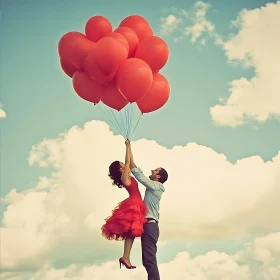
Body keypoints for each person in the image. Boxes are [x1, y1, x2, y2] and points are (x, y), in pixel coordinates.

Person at [101, 140, 148, 269]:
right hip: (134, 202)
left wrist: (130, 147)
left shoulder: (126, 176)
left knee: (131, 232)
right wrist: (127, 146)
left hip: (136, 202)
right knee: (131, 232)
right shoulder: (125, 177)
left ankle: (126, 257)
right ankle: (126, 256)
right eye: (121, 163)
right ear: (120, 168)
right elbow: (128, 161)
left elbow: (130, 161)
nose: (124, 163)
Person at [126, 139, 168, 280]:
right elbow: (134, 168)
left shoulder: (158, 186)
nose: (152, 170)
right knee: (147, 261)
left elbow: (140, 176)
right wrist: (128, 147)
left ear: (158, 177)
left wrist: (129, 152)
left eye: (155, 170)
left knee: (149, 260)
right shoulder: (154, 185)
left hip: (150, 226)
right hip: (148, 226)